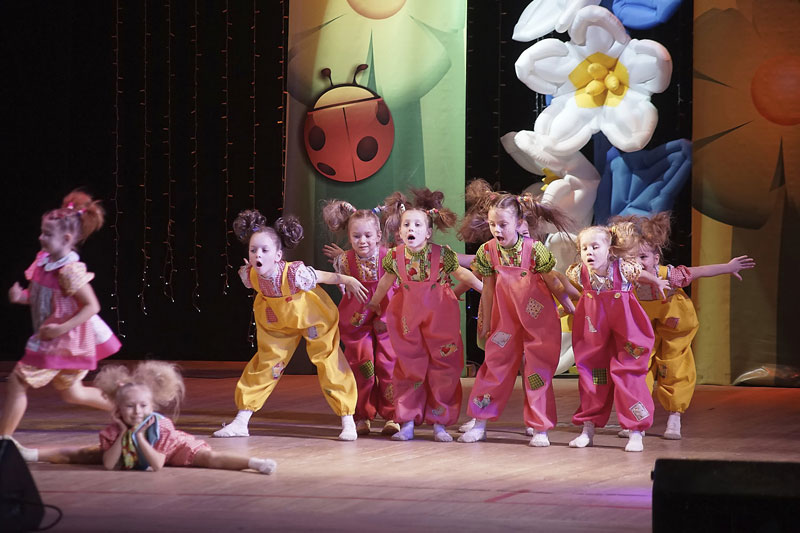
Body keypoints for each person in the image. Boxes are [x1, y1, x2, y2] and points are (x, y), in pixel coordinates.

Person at [212, 209, 367, 441]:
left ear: (278, 255)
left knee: (328, 362)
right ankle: (241, 421)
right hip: (277, 324)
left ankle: (347, 420)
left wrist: (348, 279)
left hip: (312, 318)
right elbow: (251, 276)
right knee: (265, 365)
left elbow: (325, 276)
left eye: (265, 250)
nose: (258, 255)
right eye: (253, 250)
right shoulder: (250, 274)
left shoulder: (295, 273)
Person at [613, 212, 755, 440]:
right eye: (630, 258)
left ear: (656, 258)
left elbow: (699, 272)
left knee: (674, 366)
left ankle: (674, 416)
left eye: (643, 257)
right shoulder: (625, 278)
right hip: (642, 326)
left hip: (674, 324)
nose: (637, 263)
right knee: (637, 367)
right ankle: (636, 420)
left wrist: (728, 267)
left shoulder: (670, 276)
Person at [1, 191, 121, 457]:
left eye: (47, 234)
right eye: (42, 232)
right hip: (57, 338)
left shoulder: (69, 270)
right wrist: (21, 297)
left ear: (66, 239)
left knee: (18, 381)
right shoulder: (44, 261)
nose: (40, 237)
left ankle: (4, 440)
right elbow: (45, 298)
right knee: (73, 393)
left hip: (63, 340)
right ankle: (131, 409)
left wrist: (60, 328)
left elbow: (92, 306)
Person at [456, 179, 575, 446]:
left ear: (519, 222)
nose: (496, 230)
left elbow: (552, 281)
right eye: (492, 224)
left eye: (503, 224)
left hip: (538, 321)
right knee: (494, 368)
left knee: (537, 372)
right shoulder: (488, 252)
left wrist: (567, 303)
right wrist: (486, 319)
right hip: (505, 322)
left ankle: (540, 427)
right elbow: (488, 289)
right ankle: (480, 422)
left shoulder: (535, 250)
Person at [366, 188, 482, 442]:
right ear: (400, 231)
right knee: (409, 367)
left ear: (428, 232)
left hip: (440, 317)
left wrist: (484, 289)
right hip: (407, 317)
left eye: (418, 225)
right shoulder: (395, 257)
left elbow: (463, 274)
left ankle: (439, 423)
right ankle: (407, 421)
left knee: (444, 368)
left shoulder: (442, 254)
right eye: (407, 224)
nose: (412, 228)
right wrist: (374, 303)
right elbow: (386, 281)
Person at [22, 361, 276, 474]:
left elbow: (157, 464)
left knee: (210, 458)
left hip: (171, 450)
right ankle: (28, 454)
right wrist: (125, 434)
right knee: (83, 454)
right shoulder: (116, 428)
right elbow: (109, 465)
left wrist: (139, 437)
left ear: (152, 406)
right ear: (118, 408)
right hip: (132, 450)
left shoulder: (161, 426)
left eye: (143, 406)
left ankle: (254, 463)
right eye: (130, 406)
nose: (137, 412)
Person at [565, 223, 669, 452]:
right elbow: (563, 286)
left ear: (609, 249)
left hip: (627, 329)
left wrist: (656, 281)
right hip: (594, 329)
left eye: (595, 247)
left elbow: (641, 273)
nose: (589, 252)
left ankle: (636, 431)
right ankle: (588, 429)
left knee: (629, 375)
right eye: (584, 248)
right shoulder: (578, 272)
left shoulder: (623, 268)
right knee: (593, 376)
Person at [321, 200, 400, 436]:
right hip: (356, 319)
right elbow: (344, 288)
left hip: (387, 315)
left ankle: (393, 415)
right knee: (362, 365)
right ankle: (362, 415)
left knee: (389, 365)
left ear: (378, 236)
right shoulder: (345, 260)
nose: (362, 241)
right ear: (349, 236)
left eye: (367, 235)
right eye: (356, 236)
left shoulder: (390, 257)